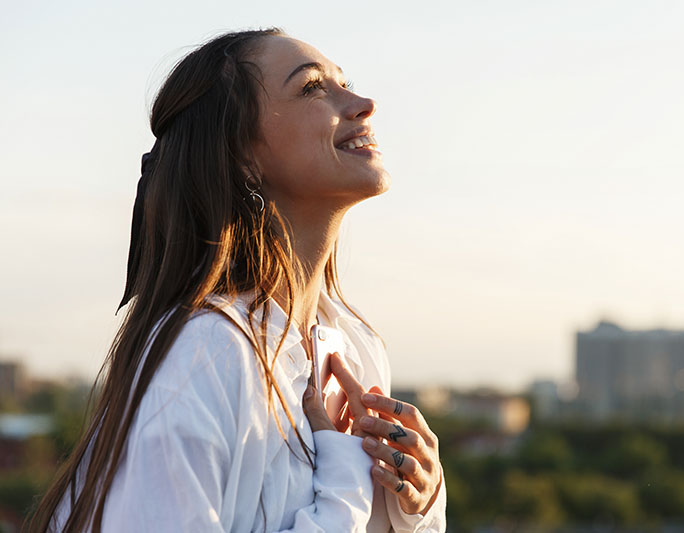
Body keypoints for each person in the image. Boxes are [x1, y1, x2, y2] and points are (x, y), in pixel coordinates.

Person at [27, 28, 446, 532]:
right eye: (313, 87)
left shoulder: (357, 347)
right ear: (243, 154)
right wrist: (347, 485)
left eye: (346, 82)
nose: (364, 103)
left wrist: (418, 504)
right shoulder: (204, 353)